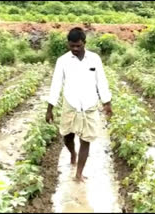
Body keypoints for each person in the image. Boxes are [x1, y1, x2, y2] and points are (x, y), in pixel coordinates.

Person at [45, 27, 113, 182]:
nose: (75, 49)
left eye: (78, 46)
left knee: (86, 139)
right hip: (71, 103)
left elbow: (101, 81)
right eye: (72, 46)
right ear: (68, 44)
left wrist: (107, 102)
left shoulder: (94, 59)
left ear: (84, 43)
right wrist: (50, 109)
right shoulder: (62, 61)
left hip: (89, 104)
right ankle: (72, 153)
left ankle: (79, 173)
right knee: (67, 136)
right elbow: (56, 85)